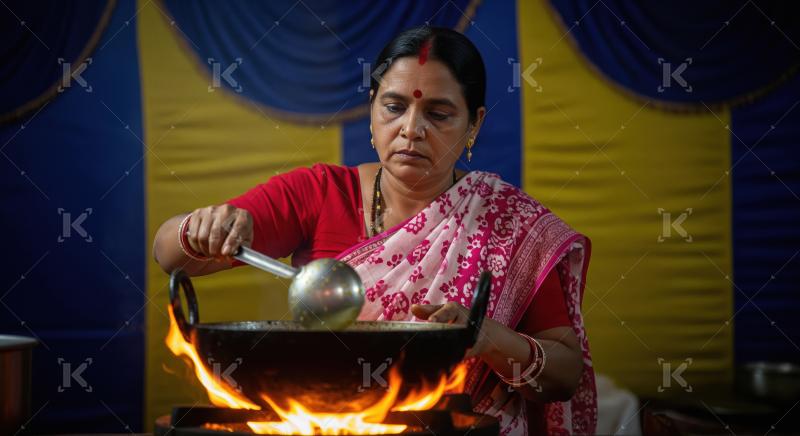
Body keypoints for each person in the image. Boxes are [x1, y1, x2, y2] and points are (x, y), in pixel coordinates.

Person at [153, 26, 596, 435]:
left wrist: (487, 338)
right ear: (372, 112)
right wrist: (201, 226)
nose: (411, 129)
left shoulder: (506, 222)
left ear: (474, 124)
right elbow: (169, 255)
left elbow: (563, 377)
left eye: (438, 114)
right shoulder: (319, 192)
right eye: (394, 107)